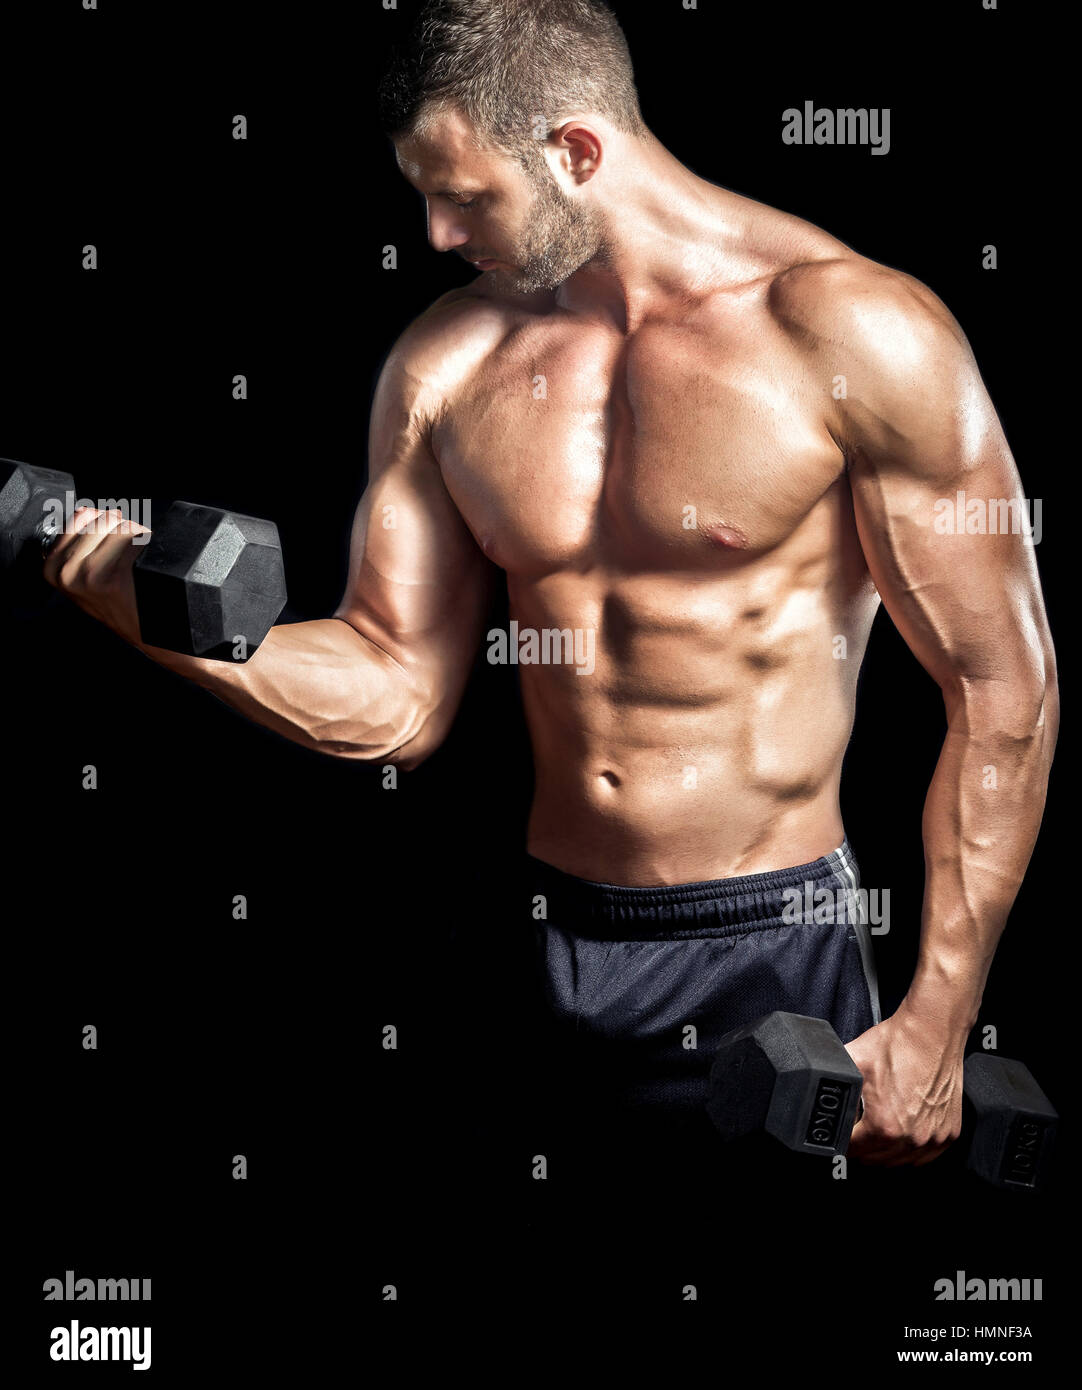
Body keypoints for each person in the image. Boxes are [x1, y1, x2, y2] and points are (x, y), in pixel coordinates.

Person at [43, 0, 1057, 1167]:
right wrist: (156, 620)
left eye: (464, 196)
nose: (431, 232)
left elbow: (1001, 691)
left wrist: (935, 1016)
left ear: (575, 150)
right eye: (422, 194)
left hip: (773, 956)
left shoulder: (852, 332)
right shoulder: (450, 358)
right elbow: (391, 696)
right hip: (544, 936)